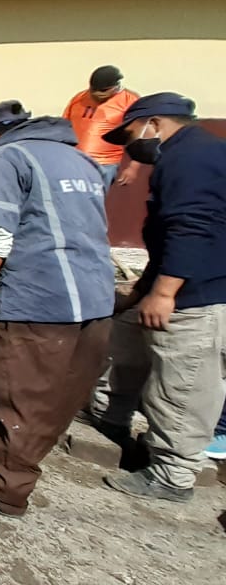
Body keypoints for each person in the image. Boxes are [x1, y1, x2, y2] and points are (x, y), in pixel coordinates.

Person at [0, 100, 114, 517]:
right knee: (59, 395)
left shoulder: (6, 157)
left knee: (19, 394)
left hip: (36, 299)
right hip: (95, 300)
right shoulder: (80, 160)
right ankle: (23, 463)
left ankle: (2, 489)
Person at [93, 92, 226, 502]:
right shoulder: (183, 156)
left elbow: (193, 229)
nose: (131, 143)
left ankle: (172, 474)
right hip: (173, 281)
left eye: (130, 132)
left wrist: (166, 292)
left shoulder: (193, 159)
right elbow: (167, 237)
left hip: (196, 294)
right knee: (125, 338)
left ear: (154, 123)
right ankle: (109, 418)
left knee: (181, 382)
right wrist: (139, 292)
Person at [62, 65, 141, 188]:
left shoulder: (130, 101)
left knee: (96, 201)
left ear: (116, 86)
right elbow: (64, 126)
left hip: (106, 164)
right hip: (75, 161)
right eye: (93, 89)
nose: (97, 94)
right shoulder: (79, 98)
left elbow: (139, 136)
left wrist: (133, 167)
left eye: (103, 90)